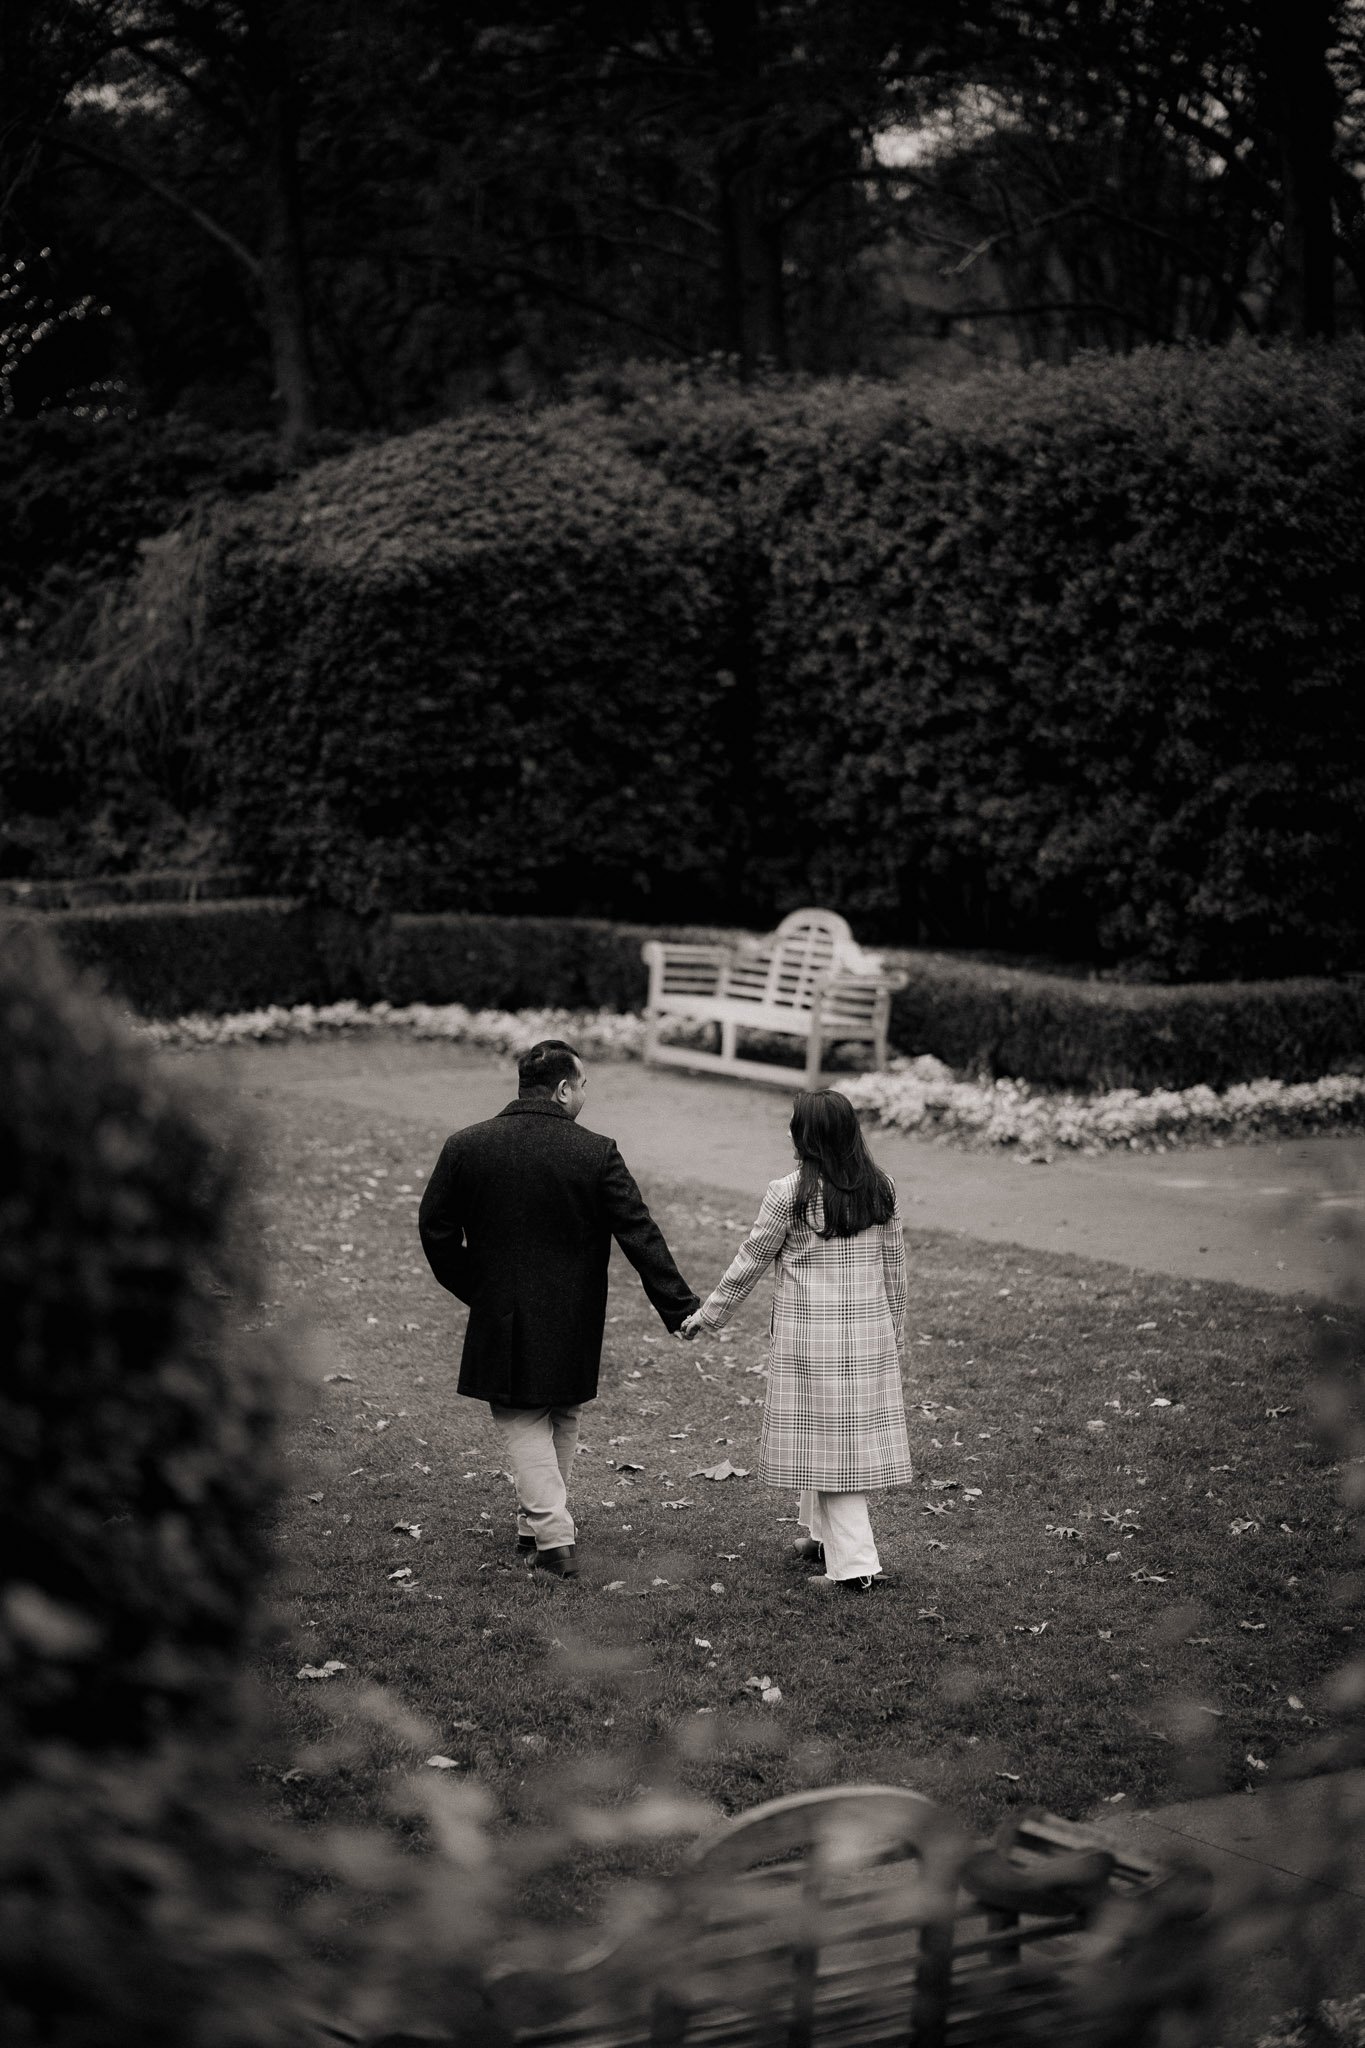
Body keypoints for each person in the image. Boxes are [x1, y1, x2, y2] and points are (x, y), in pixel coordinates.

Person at [418, 1039, 699, 1579]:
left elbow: (435, 1230)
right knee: (553, 1414)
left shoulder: (466, 1146)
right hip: (574, 1315)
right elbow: (638, 1232)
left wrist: (477, 1287)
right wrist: (679, 1306)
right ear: (564, 1089)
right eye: (584, 1083)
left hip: (502, 1310)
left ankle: (547, 1538)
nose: (586, 1093)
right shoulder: (595, 1151)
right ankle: (543, 1532)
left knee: (529, 1415)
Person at [682, 1088, 911, 1591]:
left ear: (804, 1135)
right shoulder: (882, 1188)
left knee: (830, 1451)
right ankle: (821, 1537)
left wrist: (709, 1315)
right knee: (827, 1441)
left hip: (813, 1344)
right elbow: (894, 1269)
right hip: (867, 1339)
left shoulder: (790, 1192)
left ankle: (856, 1568)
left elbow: (751, 1261)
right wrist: (896, 1331)